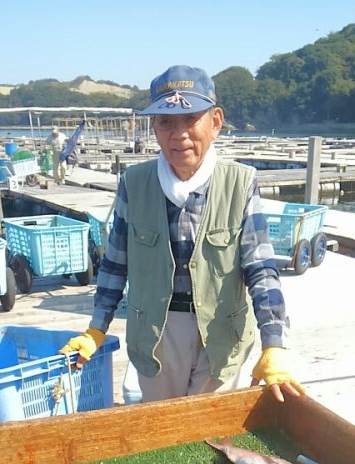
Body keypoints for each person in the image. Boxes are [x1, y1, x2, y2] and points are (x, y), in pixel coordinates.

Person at [61, 65, 304, 404]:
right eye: (166, 122)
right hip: (155, 333)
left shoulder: (241, 182)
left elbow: (261, 269)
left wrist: (274, 342)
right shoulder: (134, 183)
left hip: (222, 329)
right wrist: (96, 328)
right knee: (164, 422)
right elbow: (115, 265)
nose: (179, 135)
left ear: (215, 122)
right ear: (154, 128)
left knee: (208, 424)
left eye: (191, 119)